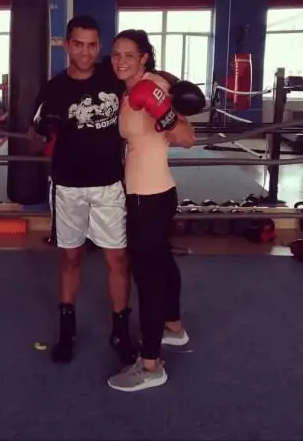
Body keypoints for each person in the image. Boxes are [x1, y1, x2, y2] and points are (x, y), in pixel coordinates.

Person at [32, 16, 136, 366]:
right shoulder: (53, 88)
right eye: (78, 44)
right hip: (68, 187)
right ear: (67, 45)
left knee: (117, 259)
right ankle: (67, 331)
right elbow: (32, 139)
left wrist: (171, 87)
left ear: (99, 47)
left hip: (109, 185)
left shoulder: (112, 75)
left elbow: (148, 74)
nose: (86, 52)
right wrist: (44, 128)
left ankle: (120, 332)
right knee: (70, 258)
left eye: (92, 45)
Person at [107, 29, 201, 393]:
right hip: (147, 192)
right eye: (116, 54)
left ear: (144, 57)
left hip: (150, 196)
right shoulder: (130, 88)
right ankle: (173, 327)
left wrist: (162, 110)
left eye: (129, 54)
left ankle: (150, 364)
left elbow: (187, 138)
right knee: (161, 262)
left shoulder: (152, 86)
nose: (121, 61)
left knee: (148, 277)